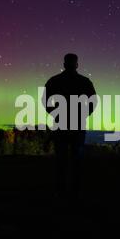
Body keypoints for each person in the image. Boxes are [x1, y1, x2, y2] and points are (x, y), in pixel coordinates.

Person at [42, 54, 97, 197]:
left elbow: (45, 101)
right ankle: (75, 192)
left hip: (61, 124)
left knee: (61, 159)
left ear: (64, 64)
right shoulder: (84, 81)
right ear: (77, 64)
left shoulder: (54, 81)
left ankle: (60, 191)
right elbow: (93, 101)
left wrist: (55, 113)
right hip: (78, 125)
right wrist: (84, 114)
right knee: (76, 160)